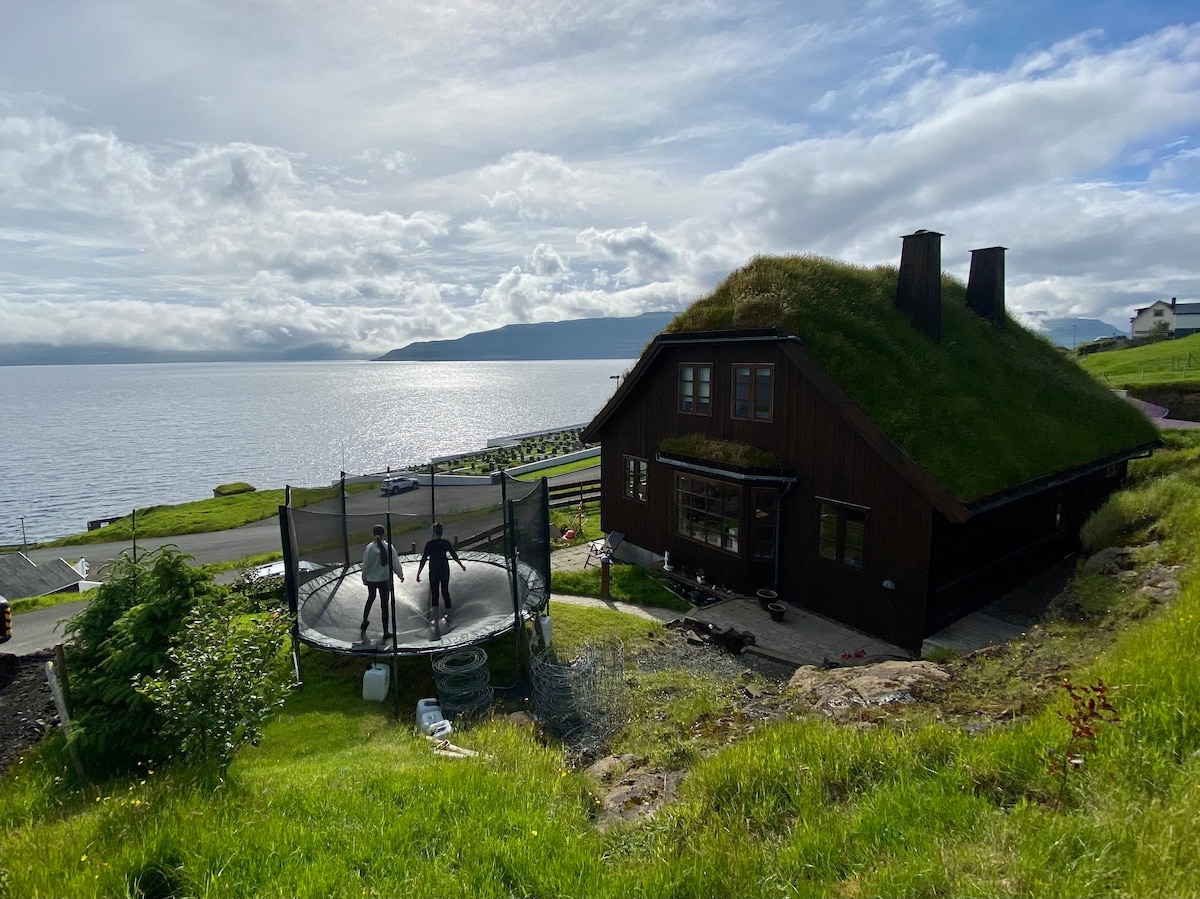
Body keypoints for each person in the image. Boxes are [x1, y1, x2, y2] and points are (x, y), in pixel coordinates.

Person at [416, 522, 465, 627]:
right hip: (444, 569)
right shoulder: (446, 542)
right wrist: (461, 565)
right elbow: (454, 555)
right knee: (445, 591)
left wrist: (418, 573)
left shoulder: (430, 544)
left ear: (434, 532)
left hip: (434, 570)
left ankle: (435, 618)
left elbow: (424, 559)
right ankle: (449, 614)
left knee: (435, 594)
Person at [361, 524, 404, 639]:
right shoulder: (388, 547)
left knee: (371, 597)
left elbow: (365, 564)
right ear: (383, 534)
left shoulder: (369, 548)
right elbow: (395, 563)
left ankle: (365, 620)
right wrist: (400, 575)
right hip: (384, 579)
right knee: (384, 605)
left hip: (371, 579)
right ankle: (385, 631)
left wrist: (364, 577)